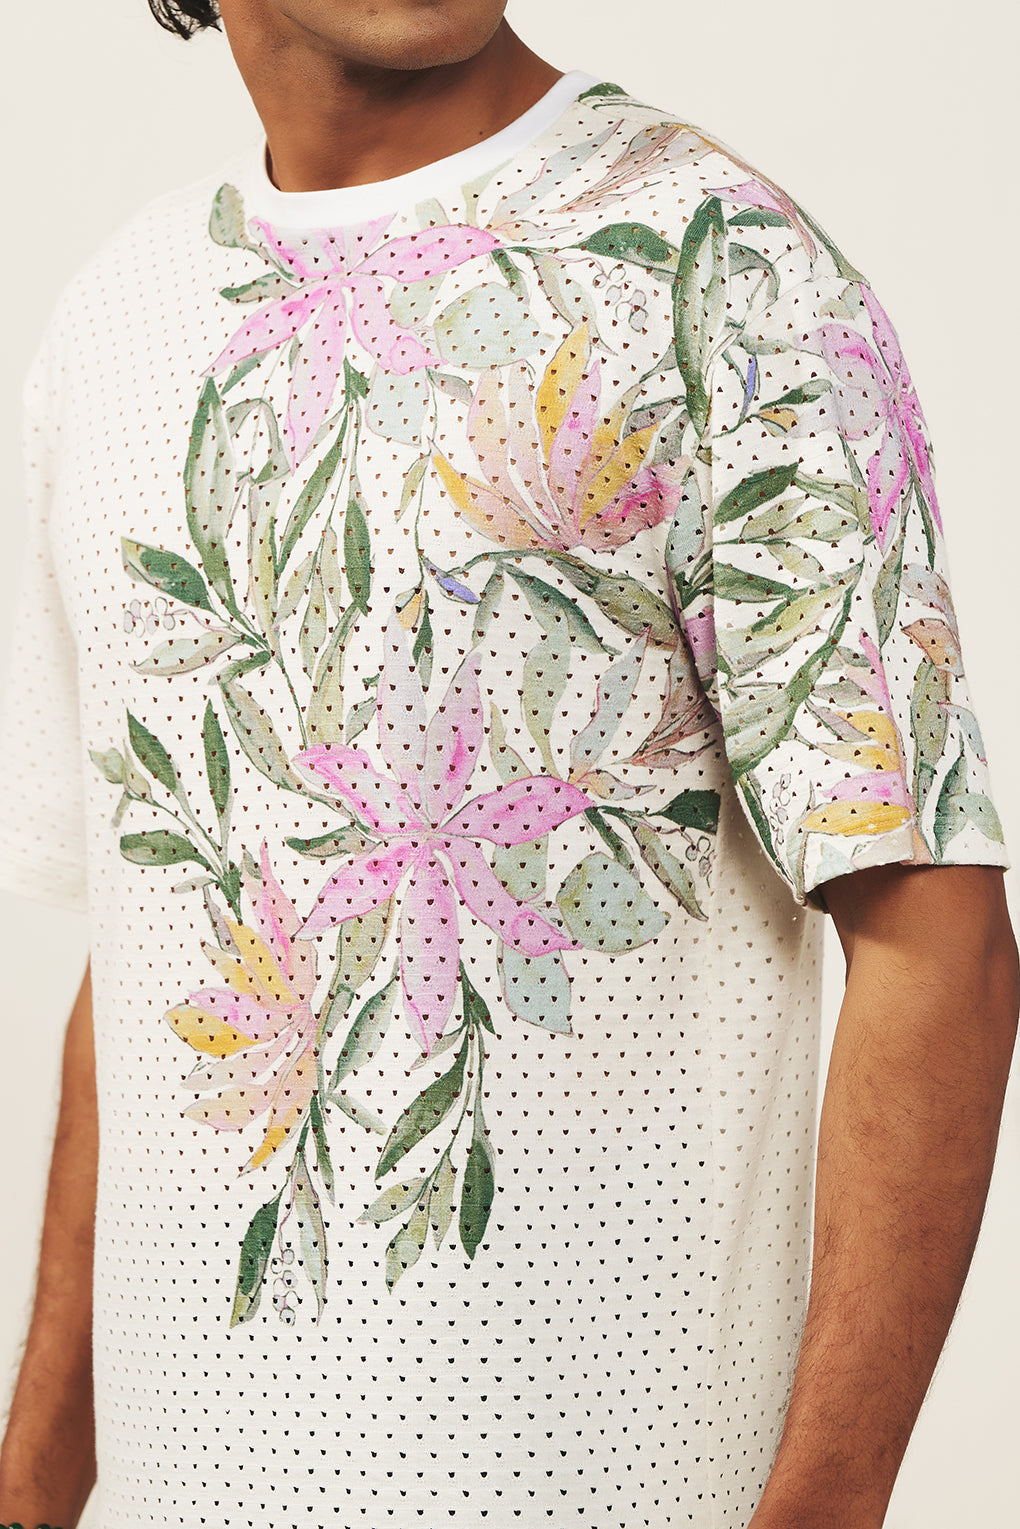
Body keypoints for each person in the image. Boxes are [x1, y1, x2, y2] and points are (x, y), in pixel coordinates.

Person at [0, 3, 1016, 1526]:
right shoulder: (113, 322)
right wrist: (29, 1486)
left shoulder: (724, 272)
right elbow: (161, 956)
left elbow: (936, 936)